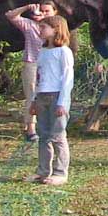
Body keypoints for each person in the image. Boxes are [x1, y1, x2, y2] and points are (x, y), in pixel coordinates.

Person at [27, 15, 74, 185]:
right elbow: (39, 78)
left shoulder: (64, 52)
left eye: (43, 27)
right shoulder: (43, 51)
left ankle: (61, 172)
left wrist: (62, 102)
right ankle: (43, 171)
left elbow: (67, 79)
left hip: (56, 97)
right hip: (42, 96)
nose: (40, 31)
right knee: (44, 135)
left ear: (55, 29)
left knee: (58, 136)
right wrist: (34, 99)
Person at [5, 1, 55, 141]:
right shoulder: (29, 25)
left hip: (50, 65)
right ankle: (31, 127)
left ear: (54, 12)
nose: (43, 14)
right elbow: (10, 15)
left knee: (50, 95)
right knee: (32, 95)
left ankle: (49, 125)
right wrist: (27, 7)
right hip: (32, 63)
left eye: (47, 11)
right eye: (42, 10)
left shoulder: (58, 27)